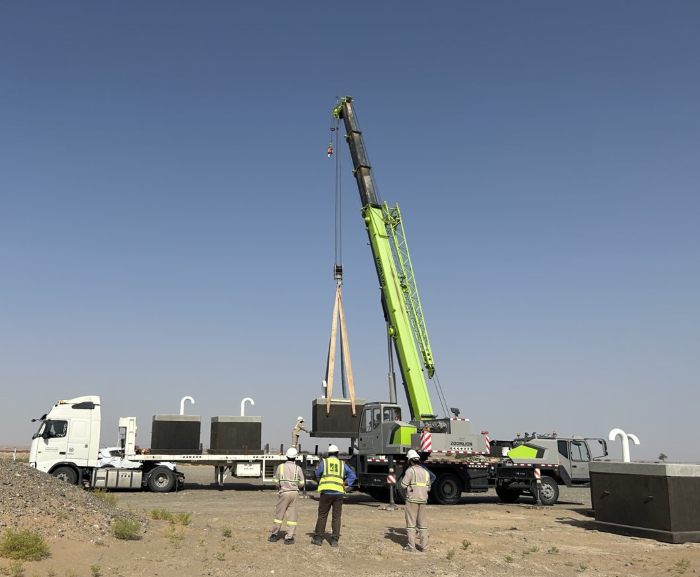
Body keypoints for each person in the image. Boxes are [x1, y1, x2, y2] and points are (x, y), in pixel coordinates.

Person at [311, 444, 356, 547]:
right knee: (336, 517)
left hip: (326, 492)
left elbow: (317, 475)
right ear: (337, 454)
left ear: (328, 453)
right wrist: (346, 483)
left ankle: (318, 539)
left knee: (322, 515)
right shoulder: (342, 464)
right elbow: (352, 476)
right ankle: (335, 540)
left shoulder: (324, 463)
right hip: (338, 493)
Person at [268, 447, 305, 545]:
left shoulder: (281, 467)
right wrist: (296, 487)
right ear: (295, 457)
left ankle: (274, 535)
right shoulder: (298, 468)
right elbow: (302, 482)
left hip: (284, 492)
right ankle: (289, 537)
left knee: (279, 515)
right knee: (292, 517)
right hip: (294, 493)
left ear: (286, 456)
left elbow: (276, 481)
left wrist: (280, 488)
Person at [400, 449, 435, 552]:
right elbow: (428, 487)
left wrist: (410, 488)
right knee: (423, 524)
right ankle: (424, 547)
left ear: (410, 461)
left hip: (412, 500)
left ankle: (411, 546)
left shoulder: (410, 471)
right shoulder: (425, 472)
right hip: (423, 500)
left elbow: (403, 485)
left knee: (411, 523)